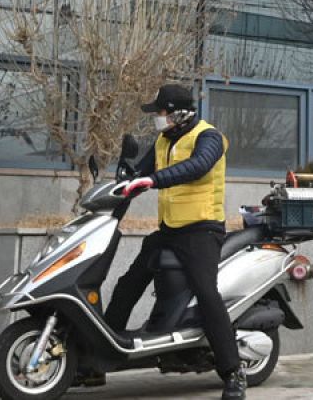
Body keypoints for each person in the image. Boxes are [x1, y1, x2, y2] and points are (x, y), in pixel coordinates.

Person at [104, 84, 246, 399]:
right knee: (128, 283)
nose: (157, 117)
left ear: (177, 113)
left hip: (202, 230)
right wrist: (123, 181)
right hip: (170, 229)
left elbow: (197, 167)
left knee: (207, 294)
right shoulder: (163, 141)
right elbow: (140, 174)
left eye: (160, 112)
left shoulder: (209, 137)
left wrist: (153, 179)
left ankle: (233, 372)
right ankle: (99, 357)